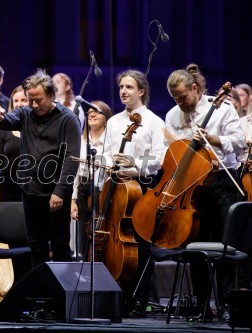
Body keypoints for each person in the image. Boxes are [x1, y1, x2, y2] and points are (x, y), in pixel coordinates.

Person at [165, 64, 245, 321]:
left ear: (195, 88)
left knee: (225, 247)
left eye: (183, 97)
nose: (180, 103)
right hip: (191, 188)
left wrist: (213, 139)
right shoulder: (172, 115)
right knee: (194, 248)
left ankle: (227, 304)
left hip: (222, 181)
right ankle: (202, 306)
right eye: (175, 99)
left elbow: (239, 141)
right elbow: (176, 153)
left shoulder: (221, 107)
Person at [0, 68, 81, 268]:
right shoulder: (25, 114)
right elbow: (7, 122)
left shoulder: (67, 119)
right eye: (30, 99)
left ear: (51, 95)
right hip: (30, 191)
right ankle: (39, 294)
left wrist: (60, 191)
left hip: (55, 193)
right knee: (36, 246)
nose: (33, 104)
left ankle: (60, 297)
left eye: (38, 100)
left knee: (59, 246)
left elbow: (71, 158)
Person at [102, 70, 166, 318]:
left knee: (141, 245)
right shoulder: (114, 122)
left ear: (141, 91)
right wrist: (110, 163)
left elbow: (158, 161)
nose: (123, 91)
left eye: (129, 87)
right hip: (117, 187)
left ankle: (140, 298)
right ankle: (115, 293)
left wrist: (133, 162)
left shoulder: (154, 122)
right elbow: (105, 151)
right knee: (114, 242)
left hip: (143, 187)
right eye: (121, 87)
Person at [70, 100, 112, 261]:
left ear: (106, 116)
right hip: (83, 192)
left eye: (97, 111)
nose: (92, 114)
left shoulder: (111, 141)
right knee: (84, 237)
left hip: (104, 190)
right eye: (89, 113)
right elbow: (75, 174)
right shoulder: (80, 141)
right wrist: (73, 199)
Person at [0, 85, 28, 202]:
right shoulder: (5, 128)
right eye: (16, 101)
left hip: (32, 189)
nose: (19, 104)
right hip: (7, 189)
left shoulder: (38, 128)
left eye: (24, 100)